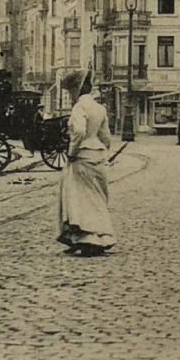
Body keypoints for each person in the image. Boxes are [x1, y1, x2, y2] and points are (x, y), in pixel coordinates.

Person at [57, 70, 116, 257]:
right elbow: (106, 137)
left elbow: (79, 132)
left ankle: (87, 238)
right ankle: (102, 237)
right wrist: (103, 150)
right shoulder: (100, 109)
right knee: (97, 197)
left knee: (80, 198)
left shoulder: (78, 108)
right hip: (97, 155)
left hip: (82, 156)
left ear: (77, 89)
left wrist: (71, 152)